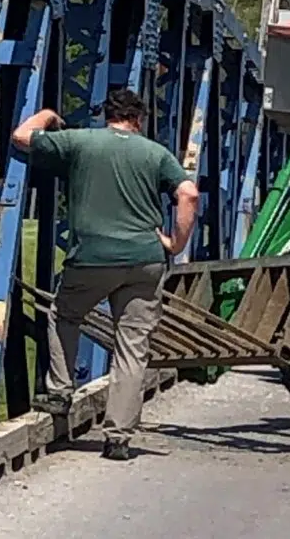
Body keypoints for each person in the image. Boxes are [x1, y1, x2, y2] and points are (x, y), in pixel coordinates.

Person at [12, 88, 199, 460]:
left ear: (106, 116)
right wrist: (176, 244)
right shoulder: (155, 153)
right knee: (132, 347)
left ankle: (61, 391)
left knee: (65, 314)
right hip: (145, 260)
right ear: (139, 120)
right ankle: (118, 438)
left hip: (93, 258)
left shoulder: (79, 142)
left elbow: (20, 136)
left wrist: (48, 112)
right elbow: (189, 194)